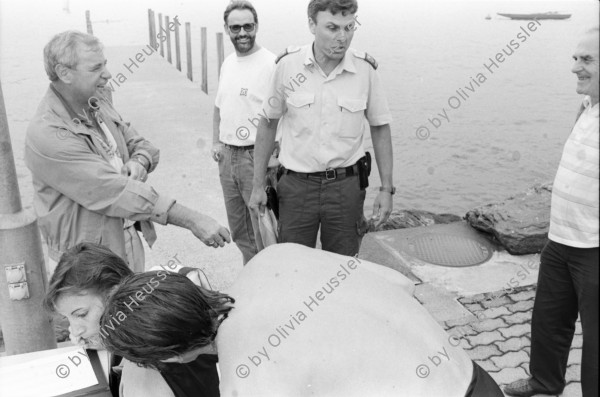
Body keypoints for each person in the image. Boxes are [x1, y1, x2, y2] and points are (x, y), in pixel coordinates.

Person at [102, 243, 503, 396]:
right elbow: (399, 282)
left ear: (172, 357)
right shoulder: (271, 258)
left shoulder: (248, 379)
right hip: (476, 376)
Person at [25, 31, 230, 274]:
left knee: (132, 310)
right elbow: (115, 191)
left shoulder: (96, 100)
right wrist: (193, 220)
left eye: (106, 65)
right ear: (64, 73)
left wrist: (139, 161)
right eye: (96, 68)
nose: (108, 74)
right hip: (85, 262)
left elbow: (142, 145)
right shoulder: (48, 133)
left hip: (126, 241)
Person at [248, 0, 395, 257]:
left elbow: (380, 129)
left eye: (349, 27)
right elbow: (268, 123)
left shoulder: (365, 70)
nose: (343, 37)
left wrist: (386, 189)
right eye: (332, 28)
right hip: (296, 187)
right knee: (293, 264)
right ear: (312, 25)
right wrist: (257, 185)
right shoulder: (287, 66)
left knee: (342, 268)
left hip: (346, 188)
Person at [504, 26, 599, 397]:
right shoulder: (587, 107)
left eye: (587, 59)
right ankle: (544, 382)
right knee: (548, 321)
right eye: (575, 58)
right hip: (560, 240)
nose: (575, 67)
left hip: (594, 248)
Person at [43, 242, 220, 397]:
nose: (75, 330)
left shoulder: (166, 321)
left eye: (81, 314)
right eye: (68, 319)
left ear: (114, 291)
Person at [211, 1, 276, 264]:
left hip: (255, 158)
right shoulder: (228, 63)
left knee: (265, 229)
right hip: (227, 159)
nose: (242, 33)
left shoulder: (271, 63)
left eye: (247, 26)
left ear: (256, 26)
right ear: (226, 29)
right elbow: (218, 107)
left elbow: (282, 116)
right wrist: (215, 142)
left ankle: (271, 286)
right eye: (235, 27)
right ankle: (252, 281)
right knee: (240, 232)